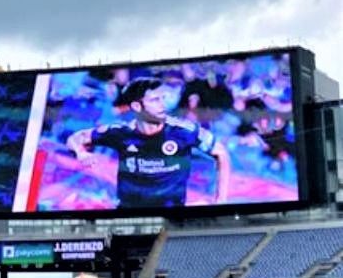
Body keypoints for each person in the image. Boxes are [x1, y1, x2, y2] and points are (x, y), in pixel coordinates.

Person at [66, 77, 231, 209]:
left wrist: (220, 201)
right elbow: (74, 139)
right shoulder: (120, 132)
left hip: (172, 219)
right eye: (154, 100)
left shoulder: (184, 131)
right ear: (137, 106)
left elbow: (221, 153)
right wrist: (81, 153)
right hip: (128, 217)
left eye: (162, 99)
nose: (162, 105)